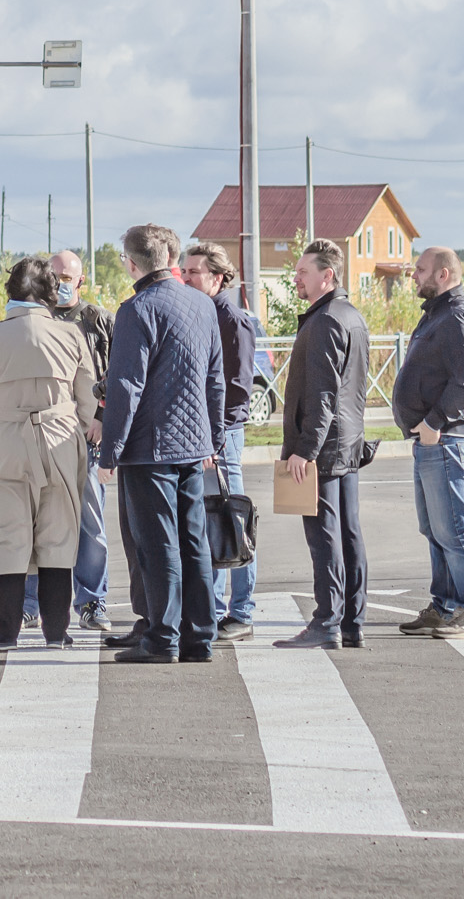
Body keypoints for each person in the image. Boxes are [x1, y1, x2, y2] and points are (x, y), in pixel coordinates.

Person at [0, 255, 100, 649]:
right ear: (52, 293)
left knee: (8, 536)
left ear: (11, 291)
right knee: (58, 535)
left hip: (3, 441)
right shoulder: (71, 336)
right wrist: (81, 433)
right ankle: (57, 632)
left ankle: (6, 631)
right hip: (59, 439)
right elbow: (88, 397)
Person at [94, 224, 222, 664]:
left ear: (132, 263)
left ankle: (161, 639)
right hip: (193, 445)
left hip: (149, 448)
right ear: (170, 256)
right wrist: (214, 438)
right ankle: (200, 638)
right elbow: (215, 380)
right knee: (194, 542)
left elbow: (126, 386)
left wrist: (109, 451)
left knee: (157, 546)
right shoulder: (203, 305)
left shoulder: (137, 309)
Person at [275, 239, 372, 651]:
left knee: (326, 537)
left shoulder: (325, 321)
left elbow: (322, 396)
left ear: (326, 276)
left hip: (322, 448)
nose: (295, 278)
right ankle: (352, 622)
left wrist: (305, 450)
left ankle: (326, 622)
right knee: (348, 533)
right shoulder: (351, 316)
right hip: (345, 444)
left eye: (302, 272)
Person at [392, 246, 464, 641]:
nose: (413, 275)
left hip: (447, 439)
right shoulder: (439, 314)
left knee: (455, 529)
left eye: (420, 269)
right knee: (436, 529)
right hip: (432, 441)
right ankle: (444, 606)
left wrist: (434, 422)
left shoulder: (457, 318)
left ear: (444, 275)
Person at [22, 250, 115, 632]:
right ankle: (30, 603)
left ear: (80, 281)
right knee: (33, 523)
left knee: (89, 524)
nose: (60, 282)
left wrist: (102, 419)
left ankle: (92, 602)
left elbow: (116, 375)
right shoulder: (32, 318)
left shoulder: (98, 322)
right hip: (40, 438)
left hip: (86, 439)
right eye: (54, 274)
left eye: (67, 276)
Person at [179, 242, 257, 641]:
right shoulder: (201, 313)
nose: (186, 277)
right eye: (185, 271)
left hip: (222, 436)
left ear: (218, 277)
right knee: (210, 520)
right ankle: (212, 606)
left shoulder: (232, 319)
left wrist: (215, 437)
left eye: (194, 271)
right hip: (204, 435)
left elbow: (239, 389)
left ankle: (241, 612)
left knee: (232, 520)